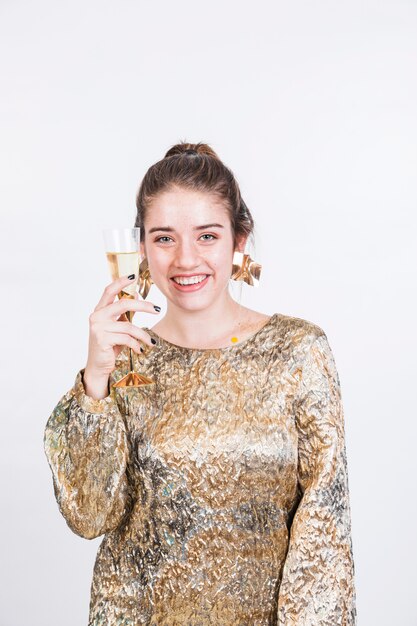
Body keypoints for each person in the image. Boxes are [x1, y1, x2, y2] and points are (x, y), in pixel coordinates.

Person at [43, 142, 357, 625]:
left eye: (207, 236)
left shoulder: (298, 351)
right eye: (165, 239)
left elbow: (325, 529)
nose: (186, 259)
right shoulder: (124, 363)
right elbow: (88, 514)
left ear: (239, 240)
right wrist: (95, 381)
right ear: (141, 248)